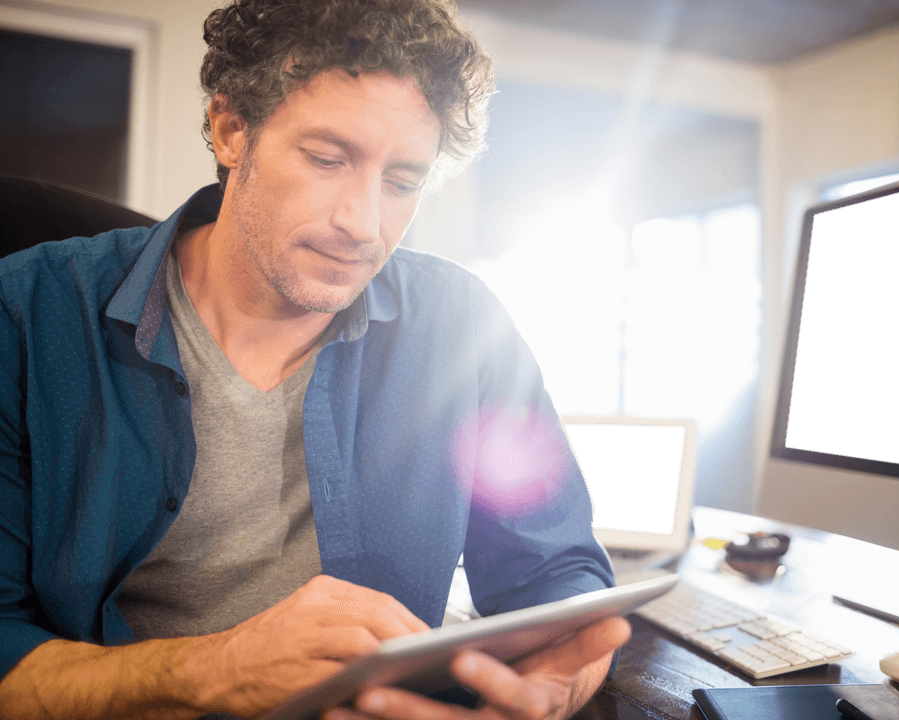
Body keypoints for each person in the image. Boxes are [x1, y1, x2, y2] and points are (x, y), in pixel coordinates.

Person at [0, 1, 630, 718]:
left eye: (402, 182)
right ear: (232, 128)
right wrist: (211, 667)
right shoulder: (26, 313)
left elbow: (557, 571)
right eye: (328, 159)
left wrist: (557, 681)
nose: (362, 225)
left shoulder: (465, 328)